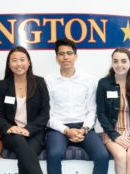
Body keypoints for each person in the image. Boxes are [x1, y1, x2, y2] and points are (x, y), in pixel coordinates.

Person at [45, 38, 109, 174]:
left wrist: (84, 129)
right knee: (54, 154)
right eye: (61, 54)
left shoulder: (88, 80)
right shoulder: (48, 81)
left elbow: (92, 110)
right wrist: (66, 130)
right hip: (58, 129)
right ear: (56, 57)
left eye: (69, 53)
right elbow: (47, 114)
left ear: (76, 56)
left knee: (102, 155)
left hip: (83, 127)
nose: (65, 57)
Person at [0, 46, 50, 174]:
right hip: (11, 133)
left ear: (29, 62)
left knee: (25, 157)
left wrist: (28, 129)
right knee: (19, 142)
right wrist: (10, 127)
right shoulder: (2, 86)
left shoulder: (39, 82)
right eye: (14, 60)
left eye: (22, 59)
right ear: (9, 64)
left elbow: (44, 113)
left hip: (34, 132)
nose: (19, 64)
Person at [96, 48, 130, 174]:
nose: (119, 65)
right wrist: (115, 136)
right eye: (115, 61)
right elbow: (101, 114)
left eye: (123, 61)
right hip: (113, 131)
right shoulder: (104, 83)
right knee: (120, 156)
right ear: (112, 63)